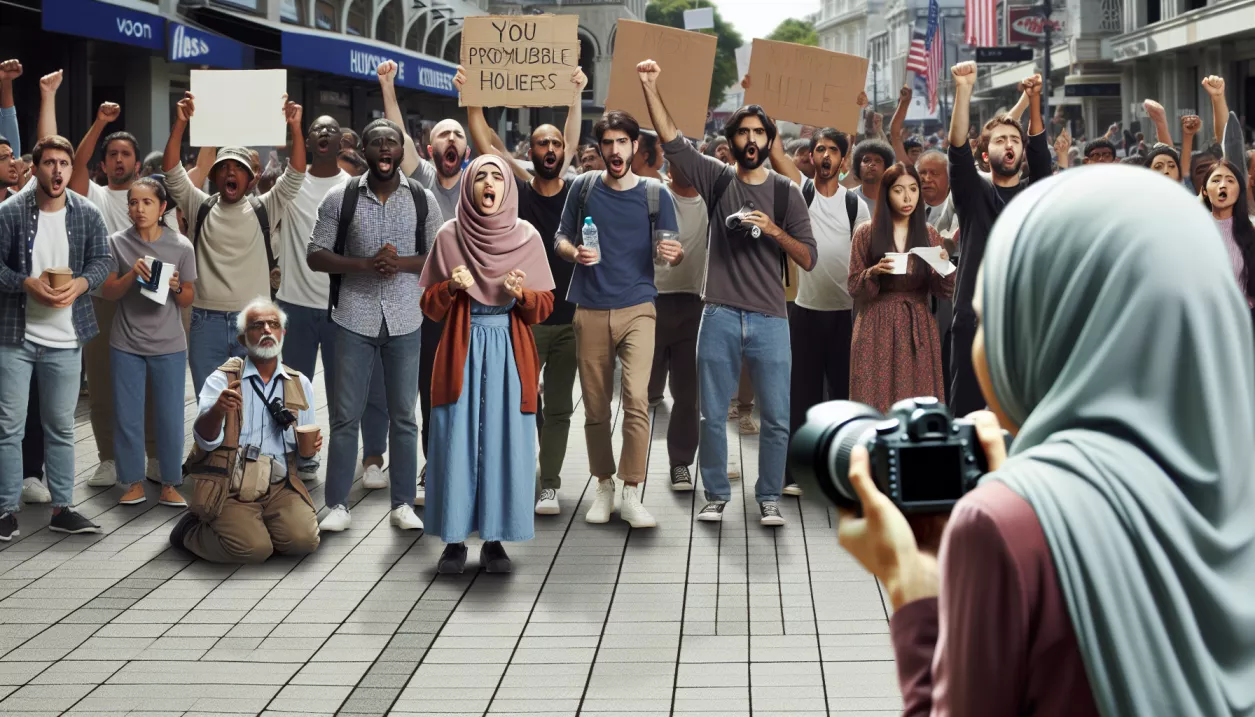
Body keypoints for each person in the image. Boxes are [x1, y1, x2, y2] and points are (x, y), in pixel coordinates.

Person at [840, 166, 1255, 716]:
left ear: (1050, 331)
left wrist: (914, 593)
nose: (982, 345)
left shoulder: (1007, 524)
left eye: (993, 319)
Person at [638, 59, 817, 527]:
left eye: (760, 133)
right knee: (711, 414)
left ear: (769, 140)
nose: (752, 140)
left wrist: (774, 230)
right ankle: (715, 494)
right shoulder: (718, 180)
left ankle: (769, 498)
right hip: (717, 314)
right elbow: (674, 143)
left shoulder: (786, 193)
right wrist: (650, 85)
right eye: (744, 133)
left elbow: (809, 257)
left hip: (771, 318)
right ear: (732, 141)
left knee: (776, 418)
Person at [418, 155, 556, 573]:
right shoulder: (448, 235)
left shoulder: (527, 236)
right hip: (461, 348)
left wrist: (524, 296)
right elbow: (429, 306)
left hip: (510, 352)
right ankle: (454, 540)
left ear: (508, 188)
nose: (490, 182)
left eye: (498, 176)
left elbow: (544, 305)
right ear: (469, 187)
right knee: (455, 438)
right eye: (481, 176)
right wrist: (448, 287)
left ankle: (495, 539)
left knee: (504, 440)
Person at [459, 65, 586, 516]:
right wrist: (472, 95)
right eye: (542, 144)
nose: (551, 149)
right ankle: (517, 475)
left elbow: (574, 132)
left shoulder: (576, 193)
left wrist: (576, 94)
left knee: (558, 411)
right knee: (520, 403)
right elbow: (486, 142)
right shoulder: (517, 188)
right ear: (529, 152)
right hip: (525, 322)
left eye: (556, 143)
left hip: (571, 320)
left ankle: (548, 485)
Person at [308, 118, 441, 533]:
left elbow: (439, 255)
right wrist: (366, 264)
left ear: (402, 151)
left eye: (392, 142)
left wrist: (398, 263)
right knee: (346, 415)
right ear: (363, 150)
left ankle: (402, 504)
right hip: (353, 316)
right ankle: (337, 506)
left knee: (405, 415)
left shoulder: (423, 199)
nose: (385, 149)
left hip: (406, 317)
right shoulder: (340, 197)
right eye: (376, 142)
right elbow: (316, 254)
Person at [554, 110, 683, 529]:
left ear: (634, 148)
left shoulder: (653, 194)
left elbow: (672, 245)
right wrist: (575, 253)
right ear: (600, 149)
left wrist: (673, 253)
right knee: (594, 406)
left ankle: (631, 490)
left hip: (639, 306)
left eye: (621, 142)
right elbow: (560, 239)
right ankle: (603, 483)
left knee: (636, 400)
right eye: (606, 143)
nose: (614, 150)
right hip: (589, 305)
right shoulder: (583, 188)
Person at [0, 135, 113, 539]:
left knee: (61, 426)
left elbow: (104, 259)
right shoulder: (10, 213)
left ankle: (63, 507)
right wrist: (24, 283)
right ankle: (5, 510)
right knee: (9, 426)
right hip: (16, 336)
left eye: (64, 164)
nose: (58, 171)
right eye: (49, 163)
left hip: (66, 338)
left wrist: (82, 284)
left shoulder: (86, 213)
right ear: (35, 168)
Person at [161, 91, 307, 397]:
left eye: (238, 167)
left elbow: (295, 175)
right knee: (209, 402)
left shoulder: (264, 207)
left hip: (255, 320)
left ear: (252, 178)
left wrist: (295, 128)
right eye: (224, 166)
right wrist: (180, 123)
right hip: (205, 321)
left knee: (255, 402)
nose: (230, 171)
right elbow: (172, 172)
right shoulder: (197, 204)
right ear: (214, 174)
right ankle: (213, 447)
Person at [275, 114, 389, 489]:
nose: (323, 133)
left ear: (342, 140)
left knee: (356, 388)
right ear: (307, 141)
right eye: (315, 129)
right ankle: (301, 456)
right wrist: (292, 126)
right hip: (295, 305)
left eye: (330, 129)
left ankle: (372, 456)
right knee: (294, 391)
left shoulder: (356, 187)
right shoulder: (288, 187)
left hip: (346, 307)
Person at [71, 102, 177, 489]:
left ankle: (151, 455)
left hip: (149, 303)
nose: (118, 160)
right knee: (101, 384)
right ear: (104, 164)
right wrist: (100, 122)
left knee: (149, 384)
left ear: (137, 164)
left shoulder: (153, 198)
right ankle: (108, 458)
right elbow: (78, 167)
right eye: (111, 155)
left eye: (125, 154)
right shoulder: (93, 196)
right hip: (103, 301)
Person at [170, 298, 322, 563]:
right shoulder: (223, 380)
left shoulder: (300, 383)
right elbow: (204, 442)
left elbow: (305, 455)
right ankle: (189, 532)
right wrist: (217, 410)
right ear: (242, 339)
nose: (266, 330)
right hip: (231, 484)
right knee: (254, 550)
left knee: (303, 541)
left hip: (279, 485)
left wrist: (311, 452)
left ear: (282, 334)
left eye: (273, 324)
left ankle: (258, 526)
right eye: (257, 325)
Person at [378, 61, 466, 499]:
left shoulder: (479, 180)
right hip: (431, 307)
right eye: (442, 135)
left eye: (458, 134)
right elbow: (396, 133)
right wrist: (388, 86)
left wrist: (474, 100)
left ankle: (474, 463)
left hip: (475, 307)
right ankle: (434, 465)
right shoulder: (425, 180)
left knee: (472, 390)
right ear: (429, 149)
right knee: (431, 390)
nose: (451, 140)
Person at [946, 64, 1051, 417]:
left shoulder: (1034, 193)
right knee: (969, 418)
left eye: (1015, 140)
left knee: (1022, 415)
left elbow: (1041, 156)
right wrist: (964, 90)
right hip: (974, 323)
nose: (1009, 145)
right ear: (984, 151)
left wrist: (1034, 101)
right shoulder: (975, 194)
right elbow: (957, 146)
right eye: (1000, 139)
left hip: (1024, 324)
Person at [98, 177, 196, 505]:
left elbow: (187, 298)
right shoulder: (116, 242)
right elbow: (108, 291)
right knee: (127, 415)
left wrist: (177, 286)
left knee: (170, 416)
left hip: (169, 344)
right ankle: (133, 483)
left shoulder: (181, 246)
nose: (139, 209)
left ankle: (170, 483)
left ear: (162, 207)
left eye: (147, 202)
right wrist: (131, 276)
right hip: (125, 343)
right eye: (133, 203)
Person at [786, 128, 870, 494]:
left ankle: (835, 470)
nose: (825, 156)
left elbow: (865, 256)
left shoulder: (856, 205)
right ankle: (795, 473)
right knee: (801, 395)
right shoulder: (799, 194)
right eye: (819, 149)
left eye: (833, 151)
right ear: (811, 155)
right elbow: (775, 155)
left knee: (840, 397)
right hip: (805, 311)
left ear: (843, 160)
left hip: (845, 315)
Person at [847, 163, 954, 412]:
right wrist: (873, 272)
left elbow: (942, 290)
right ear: (886, 193)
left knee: (918, 402)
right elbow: (853, 286)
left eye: (913, 189)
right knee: (874, 401)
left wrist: (945, 266)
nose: (908, 197)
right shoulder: (866, 233)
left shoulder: (928, 233)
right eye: (898, 190)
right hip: (876, 325)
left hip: (917, 322)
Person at [648, 157, 709, 492]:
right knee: (638, 394)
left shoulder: (712, 201)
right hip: (651, 300)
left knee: (687, 395)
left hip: (693, 303)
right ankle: (627, 474)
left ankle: (680, 464)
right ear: (669, 167)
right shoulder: (654, 196)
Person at [1201, 160, 1255, 322]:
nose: (1222, 185)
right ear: (1204, 191)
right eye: (1216, 180)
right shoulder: (1192, 231)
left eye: (1230, 180)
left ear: (1239, 191)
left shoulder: (1251, 232)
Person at [849, 139, 894, 211]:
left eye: (878, 161)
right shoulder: (846, 198)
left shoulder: (894, 200)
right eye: (866, 160)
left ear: (886, 168)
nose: (871, 164)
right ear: (858, 167)